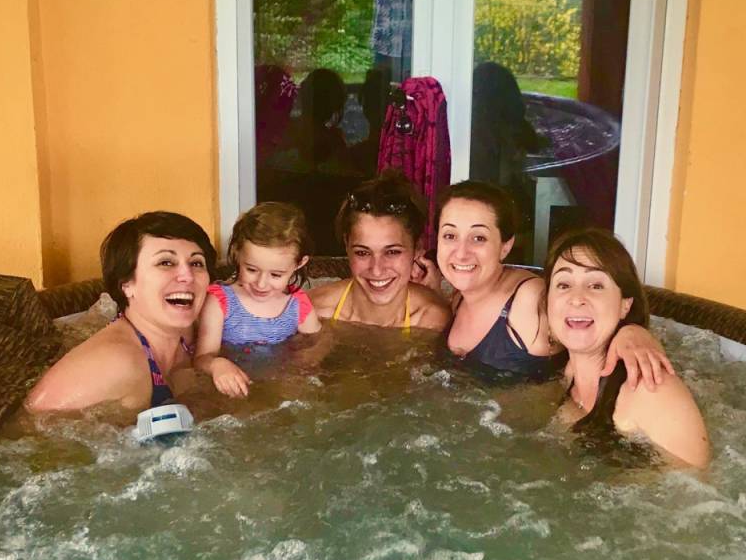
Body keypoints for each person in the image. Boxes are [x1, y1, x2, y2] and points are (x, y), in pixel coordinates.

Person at [437, 180, 671, 383]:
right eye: (450, 236)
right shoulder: (458, 297)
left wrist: (633, 332)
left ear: (505, 246)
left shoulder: (528, 300)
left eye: (479, 238)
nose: (461, 253)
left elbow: (592, 327)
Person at [546, 227, 710, 467]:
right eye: (563, 284)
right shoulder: (568, 371)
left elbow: (697, 486)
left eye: (596, 285)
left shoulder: (652, 391)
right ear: (547, 300)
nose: (577, 298)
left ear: (625, 305)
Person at [26, 211, 215, 413]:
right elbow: (35, 418)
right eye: (166, 263)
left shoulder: (191, 334)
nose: (188, 276)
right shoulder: (117, 363)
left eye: (196, 263)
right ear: (127, 284)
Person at [195, 202, 321, 398]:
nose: (261, 284)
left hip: (280, 386)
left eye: (276, 275)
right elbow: (201, 358)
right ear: (237, 252)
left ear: (299, 263)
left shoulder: (298, 305)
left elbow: (317, 345)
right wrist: (216, 364)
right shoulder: (220, 301)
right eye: (251, 270)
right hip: (234, 389)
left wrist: (300, 368)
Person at [311, 171, 451, 330]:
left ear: (417, 248)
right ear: (346, 245)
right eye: (362, 253)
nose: (377, 270)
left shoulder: (434, 320)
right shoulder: (313, 313)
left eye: (392, 252)